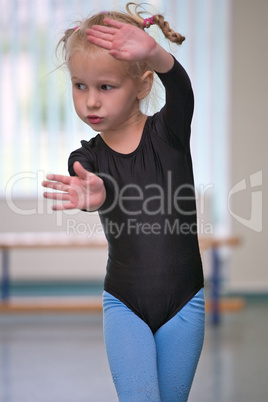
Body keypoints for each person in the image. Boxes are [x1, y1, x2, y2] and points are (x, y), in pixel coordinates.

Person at [42, 3, 205, 401]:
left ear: (143, 85)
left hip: (185, 303)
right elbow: (84, 173)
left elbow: (181, 88)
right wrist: (95, 194)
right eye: (81, 86)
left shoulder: (168, 133)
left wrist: (154, 52)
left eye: (105, 87)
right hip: (124, 304)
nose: (91, 102)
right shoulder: (89, 156)